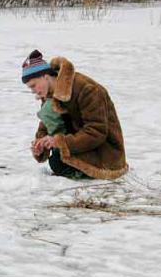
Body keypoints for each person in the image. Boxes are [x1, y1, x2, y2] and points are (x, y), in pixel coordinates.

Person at [22, 50, 128, 180]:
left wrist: (58, 142)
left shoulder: (87, 89)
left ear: (45, 76)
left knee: (58, 162)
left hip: (105, 154)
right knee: (56, 161)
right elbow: (46, 125)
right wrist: (41, 145)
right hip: (77, 145)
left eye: (33, 85)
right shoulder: (48, 93)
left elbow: (97, 132)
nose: (33, 91)